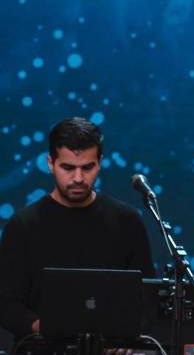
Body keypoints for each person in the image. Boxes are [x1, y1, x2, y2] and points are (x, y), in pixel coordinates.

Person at [0, 117, 154, 339]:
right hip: (43, 352)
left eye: (87, 167)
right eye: (68, 168)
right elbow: (6, 303)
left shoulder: (127, 221)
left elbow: (147, 298)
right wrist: (39, 326)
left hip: (110, 351)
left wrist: (129, 335)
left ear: (99, 162)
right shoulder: (23, 225)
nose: (78, 178)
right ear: (50, 163)